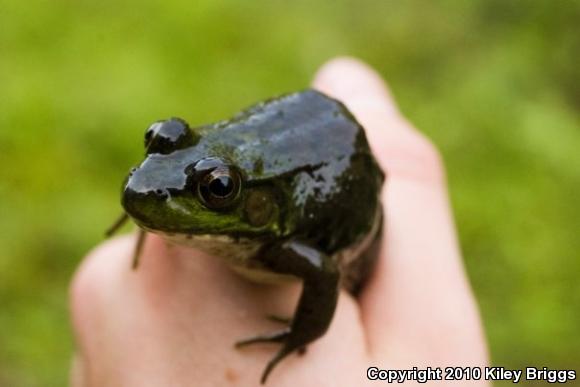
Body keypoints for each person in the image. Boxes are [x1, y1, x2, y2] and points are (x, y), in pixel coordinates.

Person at [69, 57, 490, 386]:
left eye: (216, 190)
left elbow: (323, 271)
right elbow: (162, 180)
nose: (143, 180)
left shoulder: (280, 245)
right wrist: (153, 214)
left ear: (253, 205)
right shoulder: (172, 178)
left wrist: (299, 337)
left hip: (342, 210)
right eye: (158, 143)